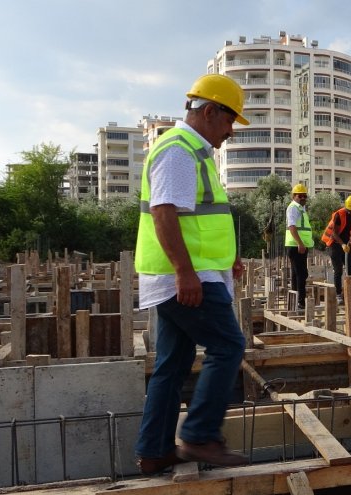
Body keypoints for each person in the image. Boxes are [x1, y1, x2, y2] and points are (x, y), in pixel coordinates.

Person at [133, 74, 249, 474]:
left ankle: (154, 451)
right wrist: (185, 272)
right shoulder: (179, 151)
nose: (231, 131)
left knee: (172, 364)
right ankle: (200, 435)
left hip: (189, 275)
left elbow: (198, 219)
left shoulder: (193, 153)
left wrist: (227, 259)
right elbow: (163, 213)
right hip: (185, 279)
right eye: (229, 120)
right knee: (228, 345)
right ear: (210, 111)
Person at [320, 195, 351, 303]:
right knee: (338, 269)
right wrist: (342, 245)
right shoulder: (339, 215)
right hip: (334, 243)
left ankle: (348, 291)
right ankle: (338, 294)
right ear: (346, 206)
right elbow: (334, 234)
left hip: (346, 242)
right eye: (349, 210)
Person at [286, 183, 314, 310]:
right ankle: (300, 302)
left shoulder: (301, 208)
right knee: (301, 274)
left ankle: (296, 301)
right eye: (300, 196)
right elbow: (292, 227)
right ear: (294, 196)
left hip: (299, 245)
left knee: (296, 274)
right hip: (296, 246)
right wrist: (300, 243)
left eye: (304, 196)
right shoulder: (293, 208)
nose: (303, 198)